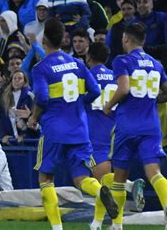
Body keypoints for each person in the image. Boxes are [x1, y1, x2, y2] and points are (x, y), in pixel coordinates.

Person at [27, 18, 118, 230]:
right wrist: (79, 103)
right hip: (79, 128)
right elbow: (95, 91)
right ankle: (99, 191)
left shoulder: (42, 67)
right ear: (63, 39)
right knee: (81, 177)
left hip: (54, 130)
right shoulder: (77, 63)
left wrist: (34, 116)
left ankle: (57, 228)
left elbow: (41, 97)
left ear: (45, 39)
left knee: (45, 178)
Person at [103, 22, 167, 230]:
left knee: (119, 178)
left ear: (126, 38)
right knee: (155, 173)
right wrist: (151, 99)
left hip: (127, 125)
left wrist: (109, 105)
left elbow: (124, 88)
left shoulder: (122, 60)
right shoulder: (156, 64)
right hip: (151, 125)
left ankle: (117, 226)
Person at [85, 43, 145, 230]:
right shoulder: (115, 76)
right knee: (109, 185)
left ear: (89, 57)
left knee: (104, 183)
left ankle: (130, 185)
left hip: (95, 134)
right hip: (116, 132)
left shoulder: (88, 76)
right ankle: (102, 224)